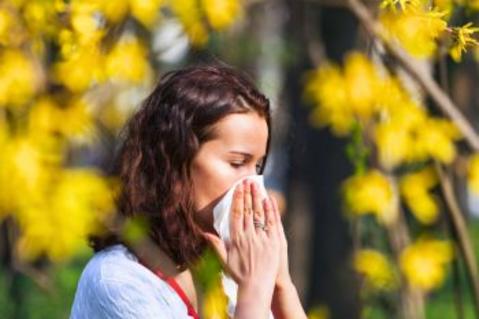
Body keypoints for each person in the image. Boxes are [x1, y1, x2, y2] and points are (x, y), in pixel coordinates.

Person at [70, 65, 307, 318]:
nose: (253, 185)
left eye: (258, 166)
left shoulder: (230, 275)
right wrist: (256, 288)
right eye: (237, 163)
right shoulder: (117, 280)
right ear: (175, 159)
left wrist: (281, 287)